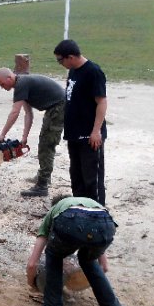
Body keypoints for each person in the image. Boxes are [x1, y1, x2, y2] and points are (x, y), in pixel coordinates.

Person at [26, 196, 131, 306]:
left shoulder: (54, 213)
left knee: (54, 255)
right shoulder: (90, 204)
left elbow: (32, 264)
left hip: (71, 222)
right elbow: (104, 267)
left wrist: (31, 283)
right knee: (88, 261)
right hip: (106, 224)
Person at [0, 67, 65, 196]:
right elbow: (28, 114)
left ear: (9, 78)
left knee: (46, 145)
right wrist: (24, 137)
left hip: (59, 107)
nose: (2, 87)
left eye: (2, 84)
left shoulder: (22, 84)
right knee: (45, 143)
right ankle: (44, 177)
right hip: (55, 107)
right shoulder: (21, 85)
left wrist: (3, 134)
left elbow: (15, 112)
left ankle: (42, 185)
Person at [54, 39, 107, 205]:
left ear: (70, 57)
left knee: (92, 178)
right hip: (74, 134)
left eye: (60, 60)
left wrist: (96, 131)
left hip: (89, 135)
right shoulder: (73, 72)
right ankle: (80, 209)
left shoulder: (93, 72)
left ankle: (97, 213)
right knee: (76, 176)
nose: (60, 63)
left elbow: (102, 102)